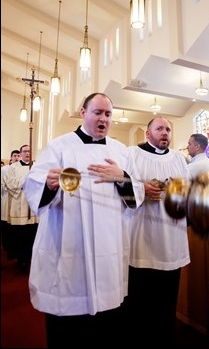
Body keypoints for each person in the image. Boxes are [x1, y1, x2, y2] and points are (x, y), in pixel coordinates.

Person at [22, 93, 143, 348]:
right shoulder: (59, 146)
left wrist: (122, 177)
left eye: (108, 114)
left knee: (106, 324)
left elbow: (137, 194)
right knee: (69, 326)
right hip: (68, 244)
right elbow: (33, 184)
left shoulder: (120, 150)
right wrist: (50, 184)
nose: (103, 119)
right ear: (83, 112)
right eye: (98, 112)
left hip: (108, 248)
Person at [124, 117, 191, 346]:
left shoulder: (178, 158)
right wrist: (142, 189)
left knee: (167, 299)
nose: (165, 133)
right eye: (159, 128)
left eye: (168, 129)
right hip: (142, 236)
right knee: (140, 300)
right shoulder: (132, 154)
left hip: (171, 238)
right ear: (147, 133)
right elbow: (122, 191)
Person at [3, 145, 38, 271]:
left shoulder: (37, 166)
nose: (27, 153)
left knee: (32, 235)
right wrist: (26, 180)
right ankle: (21, 260)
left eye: (30, 151)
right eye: (25, 151)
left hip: (33, 208)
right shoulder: (13, 167)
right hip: (20, 206)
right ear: (21, 153)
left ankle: (31, 260)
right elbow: (10, 183)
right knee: (20, 236)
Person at [1, 149, 21, 256]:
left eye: (18, 155)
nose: (17, 157)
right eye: (14, 155)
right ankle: (5, 245)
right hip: (6, 197)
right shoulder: (4, 169)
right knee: (5, 224)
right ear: (11, 157)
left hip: (17, 200)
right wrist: (8, 188)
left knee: (14, 225)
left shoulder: (21, 169)